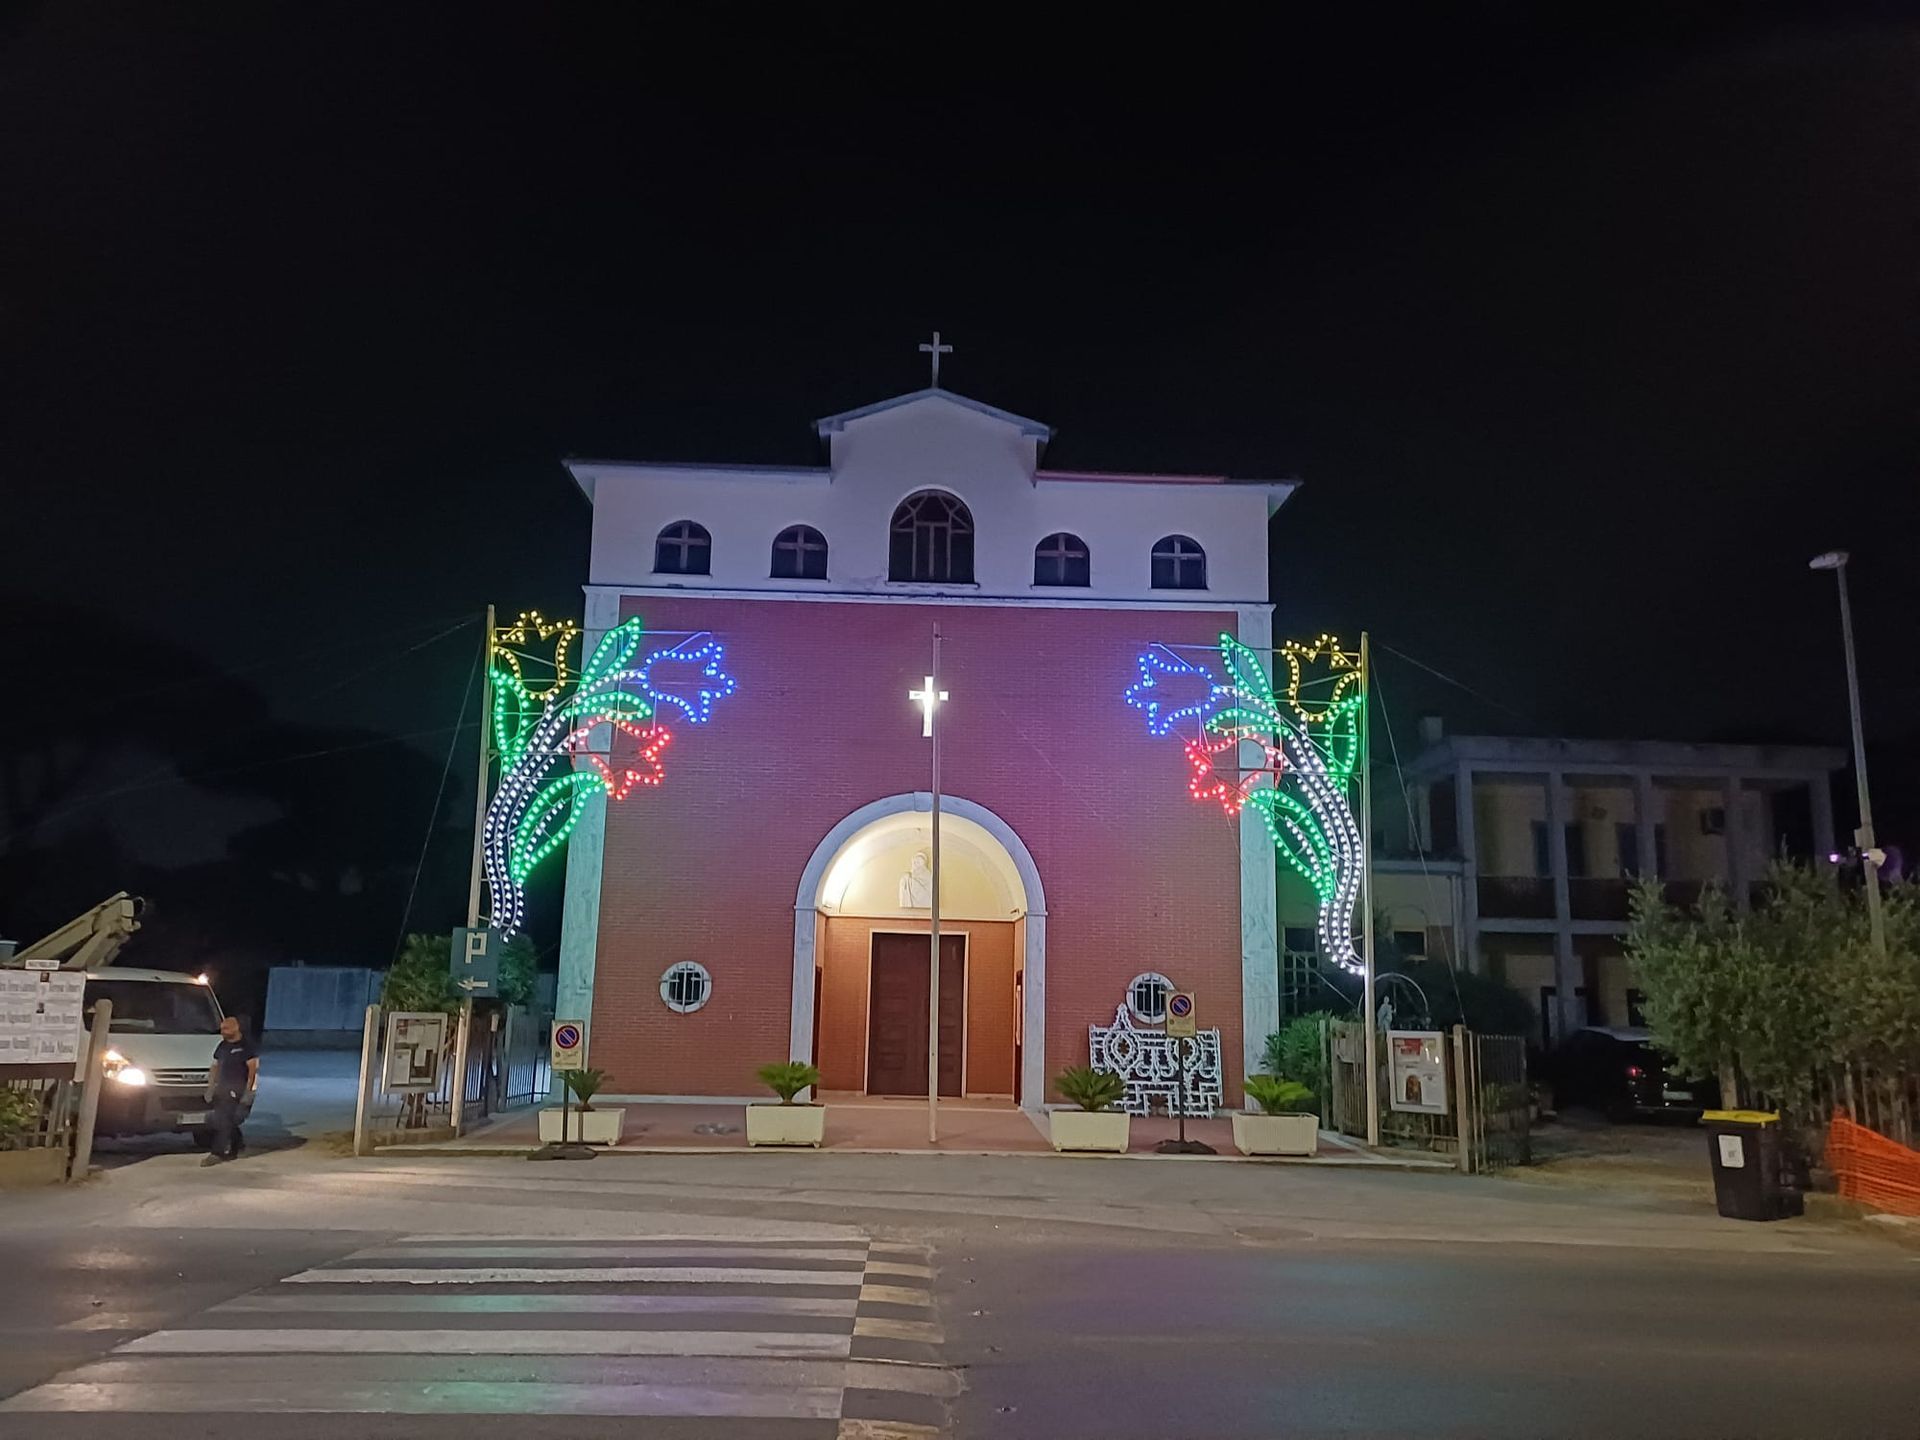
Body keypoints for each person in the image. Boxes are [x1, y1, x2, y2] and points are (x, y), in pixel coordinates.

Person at [203, 1015, 258, 1166]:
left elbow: (253, 1070)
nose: (222, 1032)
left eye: (226, 1029)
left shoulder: (246, 1046)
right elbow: (215, 1066)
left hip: (237, 1089)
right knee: (227, 1120)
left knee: (224, 1121)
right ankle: (237, 1145)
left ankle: (217, 1152)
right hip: (222, 1089)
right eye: (221, 1029)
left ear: (236, 1028)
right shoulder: (222, 1046)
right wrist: (211, 1087)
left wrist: (248, 1092)